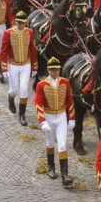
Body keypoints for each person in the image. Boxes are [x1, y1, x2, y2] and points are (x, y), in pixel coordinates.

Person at [35, 57, 75, 186]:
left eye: (57, 70)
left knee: (62, 145)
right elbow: (38, 103)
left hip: (61, 117)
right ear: (48, 70)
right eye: (53, 70)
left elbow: (70, 101)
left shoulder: (65, 83)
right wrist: (42, 121)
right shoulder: (41, 85)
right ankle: (51, 167)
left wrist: (72, 118)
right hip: (49, 116)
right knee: (50, 143)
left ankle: (65, 175)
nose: (55, 72)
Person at [0, 11, 37, 126]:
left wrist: (34, 66)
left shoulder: (29, 32)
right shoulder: (8, 33)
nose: (22, 25)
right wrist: (4, 68)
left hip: (26, 64)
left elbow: (33, 49)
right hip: (13, 64)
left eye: (24, 23)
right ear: (16, 22)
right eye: (20, 23)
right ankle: (11, 99)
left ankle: (22, 114)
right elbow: (3, 51)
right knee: (13, 89)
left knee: (24, 89)